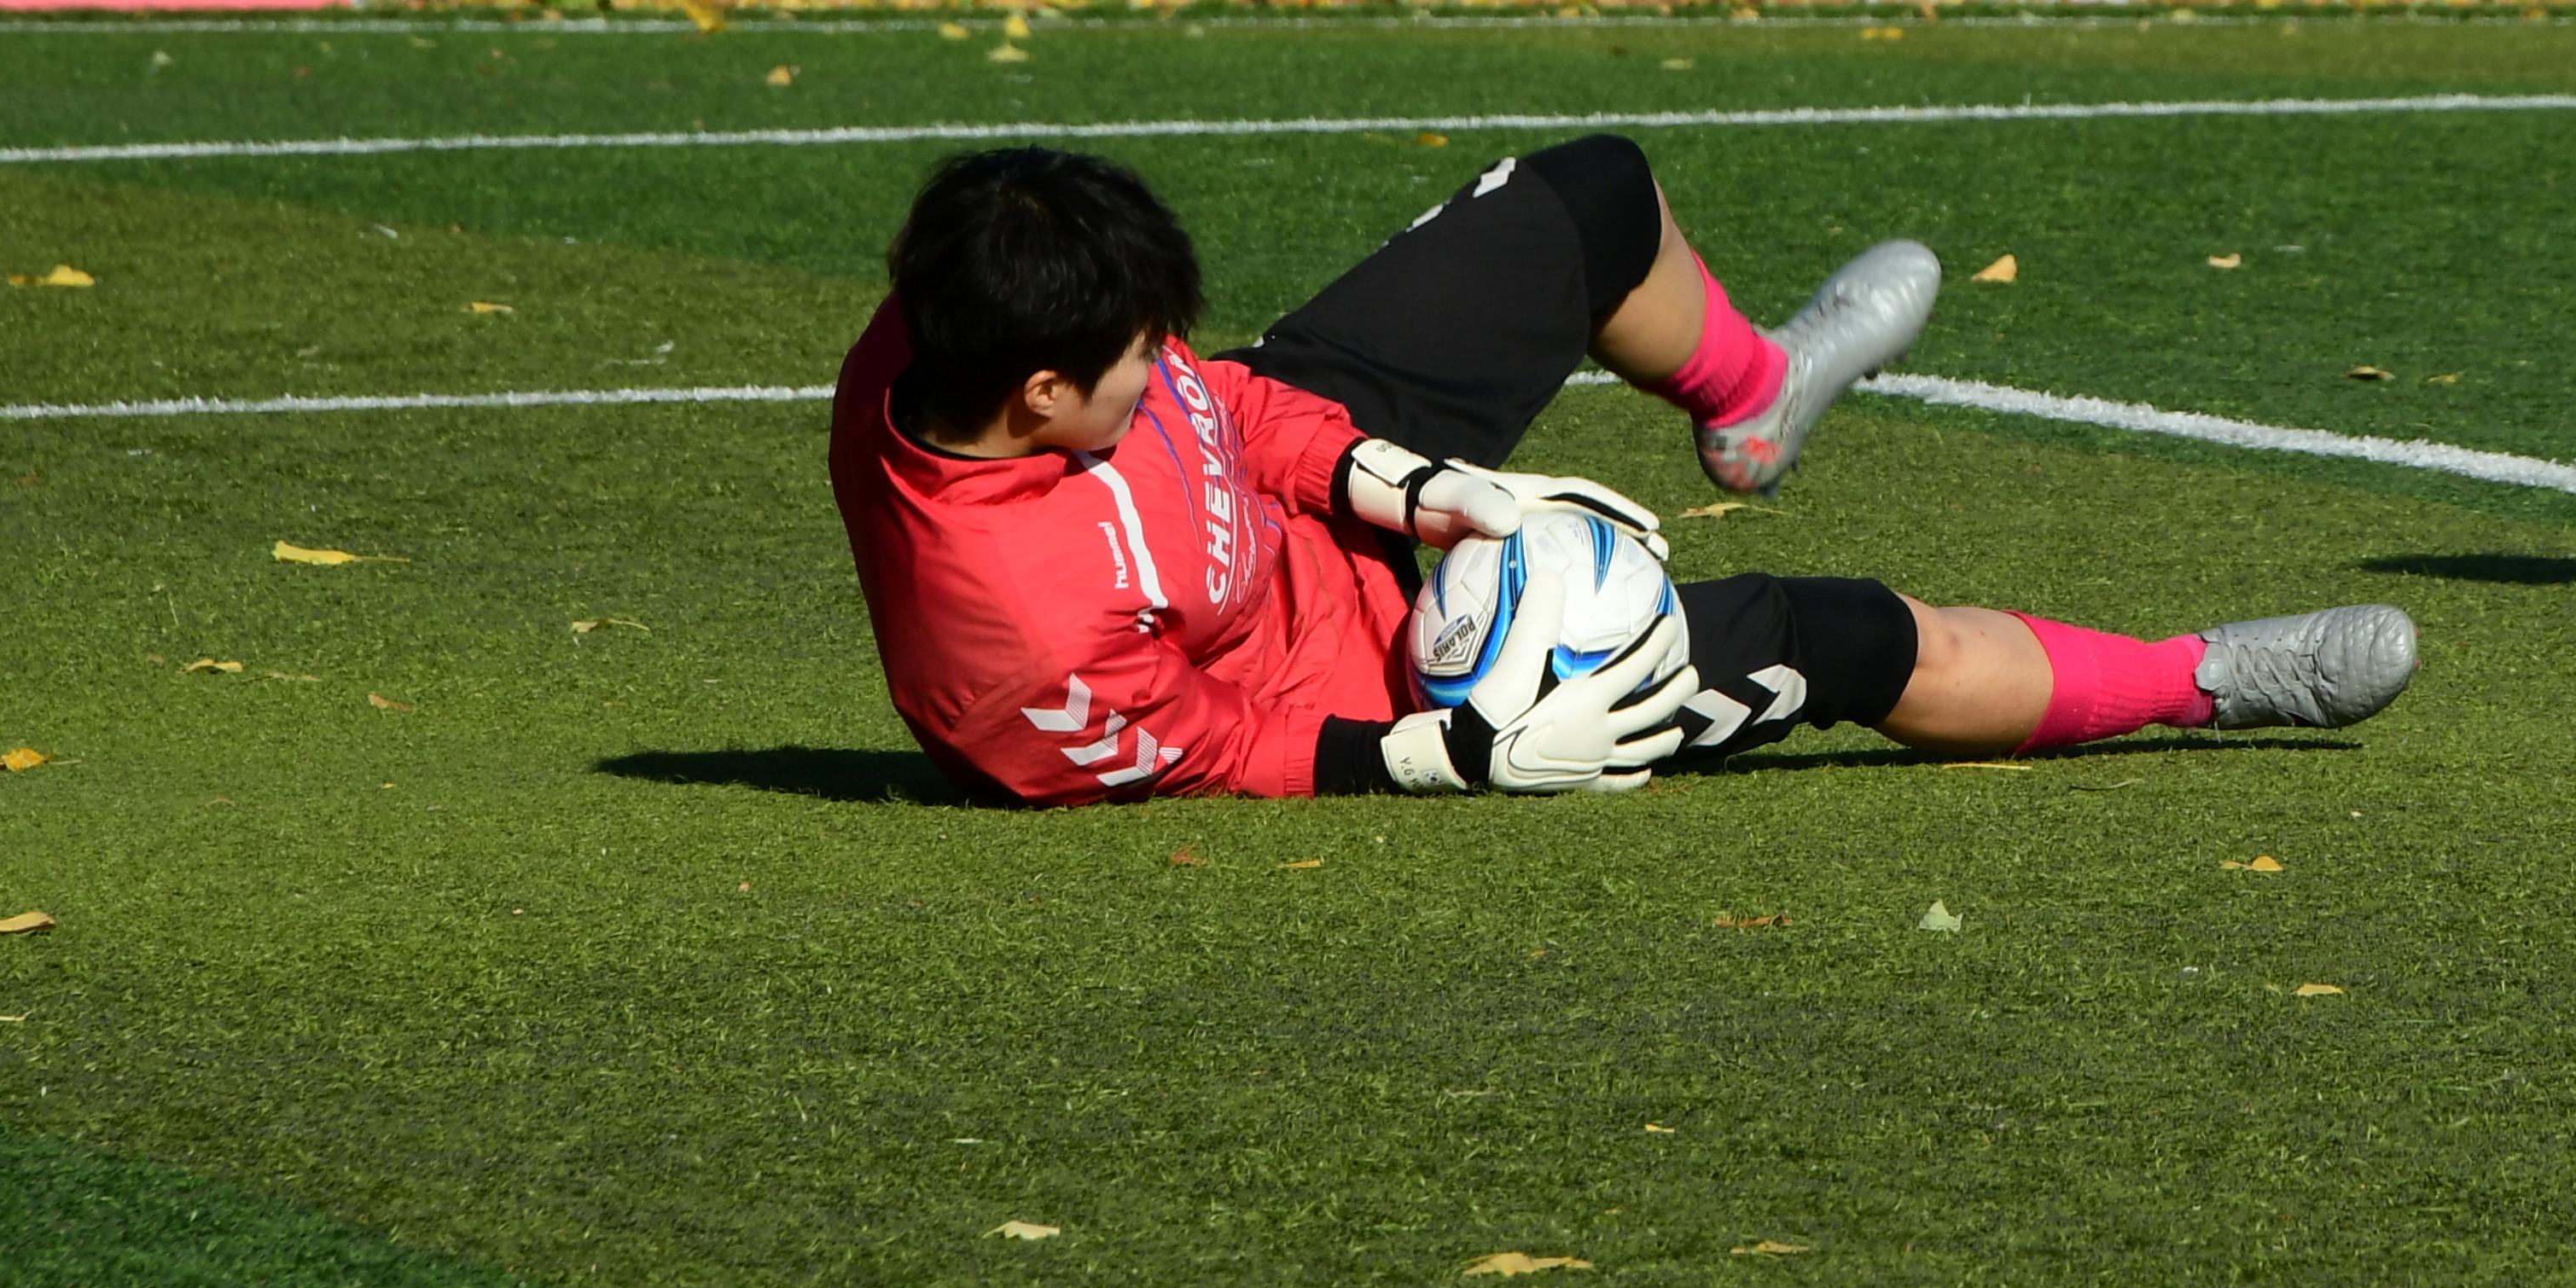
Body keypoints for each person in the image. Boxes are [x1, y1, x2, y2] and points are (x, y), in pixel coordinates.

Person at [829, 139, 2417, 800]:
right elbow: (1218, 745)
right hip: (1395, 680)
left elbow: (1214, 404)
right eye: (1118, 359)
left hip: (1310, 481)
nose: (1149, 357)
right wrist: (1452, 753)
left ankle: (1755, 400)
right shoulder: (1017, 657)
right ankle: (2199, 682)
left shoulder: (956, 322)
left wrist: (1397, 482)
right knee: (1844, 635)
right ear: (1040, 396)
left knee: (1586, 197)